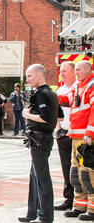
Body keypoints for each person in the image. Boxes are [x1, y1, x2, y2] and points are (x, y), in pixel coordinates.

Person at [18, 64, 63, 223]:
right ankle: (33, 212)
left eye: (29, 76)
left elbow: (46, 117)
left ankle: (45, 216)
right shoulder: (50, 92)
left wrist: (27, 114)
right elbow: (59, 116)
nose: (27, 80)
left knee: (42, 177)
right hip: (40, 138)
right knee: (34, 176)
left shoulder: (43, 93)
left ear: (38, 75)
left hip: (40, 139)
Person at [59, 60, 94, 221]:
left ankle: (92, 208)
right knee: (76, 173)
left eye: (79, 70)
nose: (77, 72)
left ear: (88, 69)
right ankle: (79, 205)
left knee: (87, 173)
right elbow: (66, 101)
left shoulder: (91, 85)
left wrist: (90, 132)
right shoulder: (80, 86)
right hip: (75, 136)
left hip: (85, 137)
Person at [54, 61, 76, 211]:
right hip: (63, 132)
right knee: (66, 167)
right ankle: (68, 198)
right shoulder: (60, 89)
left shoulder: (79, 88)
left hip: (76, 133)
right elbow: (57, 112)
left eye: (65, 71)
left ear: (73, 72)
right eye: (61, 71)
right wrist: (58, 129)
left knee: (78, 168)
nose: (62, 73)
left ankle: (81, 199)